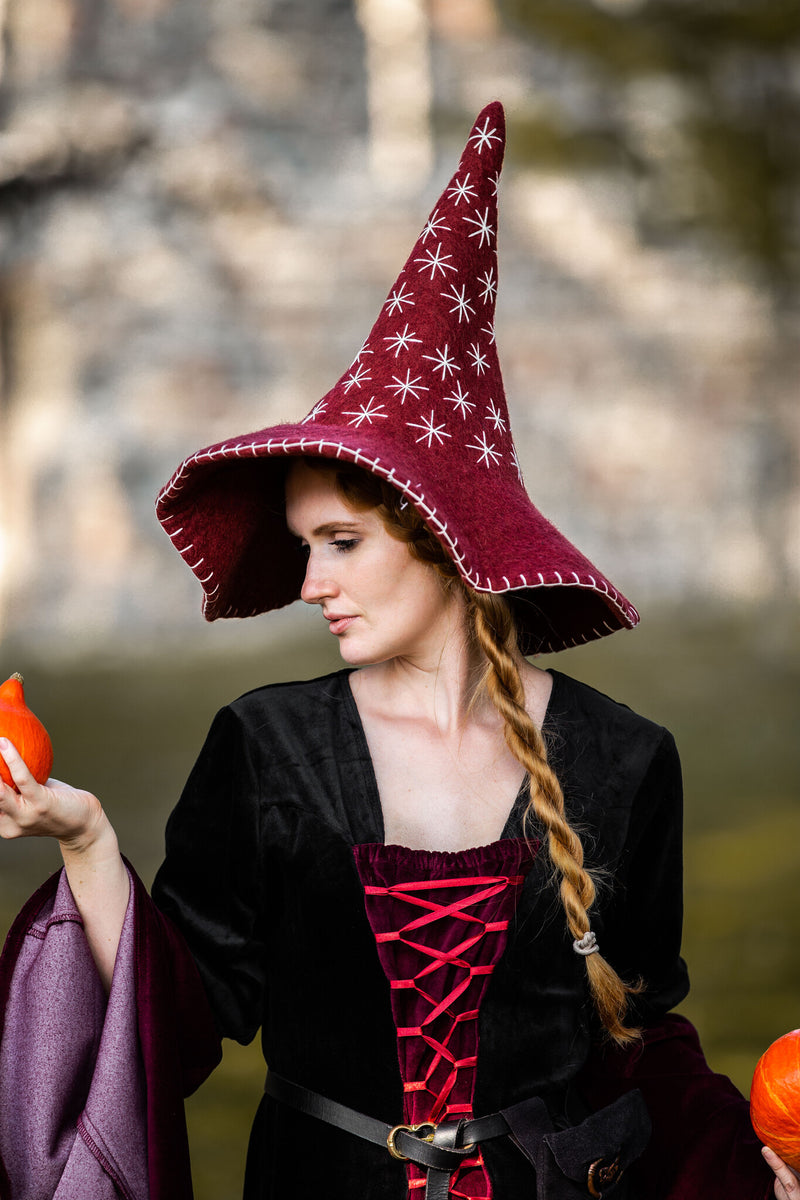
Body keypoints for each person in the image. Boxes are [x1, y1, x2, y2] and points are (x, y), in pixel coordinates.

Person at [0, 101, 794, 1200]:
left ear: (445, 540)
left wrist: (750, 1176)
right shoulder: (265, 748)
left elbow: (641, 1042)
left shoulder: (621, 759)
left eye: (339, 543)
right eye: (299, 547)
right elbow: (177, 1031)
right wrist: (87, 842)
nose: (311, 583)